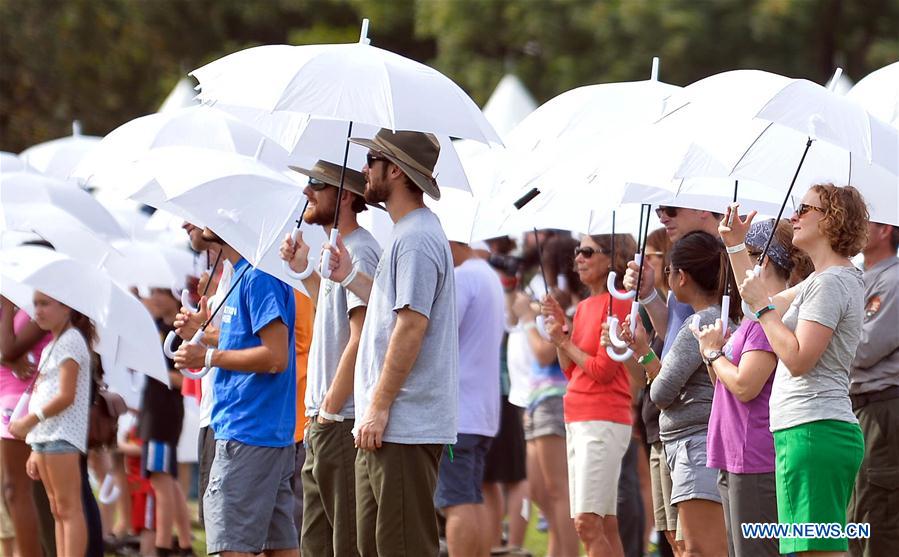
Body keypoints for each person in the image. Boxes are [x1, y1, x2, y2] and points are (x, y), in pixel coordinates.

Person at [324, 129, 458, 556]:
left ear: (395, 170)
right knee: (375, 546)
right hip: (387, 424)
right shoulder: (407, 233)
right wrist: (349, 276)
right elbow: (390, 307)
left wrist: (379, 407)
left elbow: (411, 327)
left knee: (401, 547)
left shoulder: (417, 238)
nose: (364, 169)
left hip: (402, 424)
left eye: (372, 159)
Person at [726, 184, 868, 555]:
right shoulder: (822, 281)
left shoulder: (832, 283)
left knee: (815, 551)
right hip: (807, 431)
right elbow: (757, 306)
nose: (794, 216)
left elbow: (799, 358)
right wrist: (736, 246)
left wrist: (765, 308)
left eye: (805, 208)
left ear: (832, 219)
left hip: (815, 430)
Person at [173, 228, 298, 557]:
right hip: (255, 431)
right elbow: (246, 341)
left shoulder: (258, 277)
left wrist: (208, 356)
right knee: (279, 546)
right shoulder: (243, 274)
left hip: (248, 431)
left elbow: (275, 357)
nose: (195, 222)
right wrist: (206, 334)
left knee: (230, 549)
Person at [614, 231, 738, 556]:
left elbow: (661, 392)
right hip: (692, 445)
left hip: (695, 446)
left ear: (682, 276)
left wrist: (649, 364)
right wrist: (643, 350)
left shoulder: (699, 323)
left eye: (668, 271)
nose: (667, 279)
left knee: (701, 549)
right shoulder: (717, 318)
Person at [281, 160, 382, 557]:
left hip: (340, 418)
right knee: (316, 542)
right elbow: (331, 313)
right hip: (324, 417)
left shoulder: (361, 250)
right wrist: (304, 268)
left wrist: (329, 408)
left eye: (316, 184)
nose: (307, 192)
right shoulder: (340, 249)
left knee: (345, 543)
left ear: (346, 196)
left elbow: (361, 336)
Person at [694, 219, 804, 557]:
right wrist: (713, 355)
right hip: (735, 453)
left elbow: (745, 386)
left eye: (746, 253)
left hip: (753, 456)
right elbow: (723, 386)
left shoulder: (765, 321)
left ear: (763, 261)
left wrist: (713, 354)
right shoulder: (753, 320)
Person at [541, 233, 639, 557]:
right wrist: (561, 331)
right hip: (581, 418)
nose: (578, 259)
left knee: (586, 522)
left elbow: (602, 371)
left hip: (602, 419)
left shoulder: (621, 301)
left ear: (611, 258)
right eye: (576, 252)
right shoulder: (584, 306)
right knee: (604, 523)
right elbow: (572, 371)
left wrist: (565, 343)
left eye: (586, 251)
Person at [8, 291, 94, 557]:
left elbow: (66, 395)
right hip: (45, 438)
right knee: (57, 509)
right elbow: (44, 393)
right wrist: (34, 444)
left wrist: (29, 422)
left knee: (68, 509)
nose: (38, 311)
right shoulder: (51, 345)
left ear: (67, 307)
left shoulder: (71, 340)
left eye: (45, 304)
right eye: (36, 304)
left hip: (62, 435)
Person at [437, 240, 505, 557]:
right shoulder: (489, 276)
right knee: (470, 497)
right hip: (480, 412)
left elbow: (439, 331)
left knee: (456, 502)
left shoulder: (464, 277)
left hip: (459, 413)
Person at [848, 221, 899, 556]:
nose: (857, 225)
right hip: (860, 407)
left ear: (885, 230)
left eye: (868, 220)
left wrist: (820, 338)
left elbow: (863, 348)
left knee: (875, 517)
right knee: (857, 514)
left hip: (882, 407)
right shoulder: (860, 276)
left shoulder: (893, 279)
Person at [141, 288, 194, 556]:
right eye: (154, 292)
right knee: (167, 481)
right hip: (154, 413)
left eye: (162, 292)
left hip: (163, 417)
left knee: (161, 481)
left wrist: (157, 370)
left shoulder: (182, 333)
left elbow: (187, 379)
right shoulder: (156, 328)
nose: (156, 298)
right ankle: (184, 544)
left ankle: (163, 545)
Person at [1, 294, 51, 557]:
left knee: (16, 490)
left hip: (22, 401)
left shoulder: (40, 304)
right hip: (9, 398)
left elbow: (9, 349)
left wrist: (7, 304)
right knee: (15, 491)